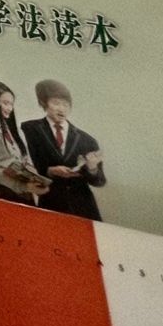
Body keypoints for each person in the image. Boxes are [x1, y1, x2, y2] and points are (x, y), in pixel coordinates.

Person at [20, 78, 105, 220]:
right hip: (50, 205)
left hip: (83, 208)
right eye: (56, 103)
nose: (62, 109)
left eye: (66, 104)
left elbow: (99, 181)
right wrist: (50, 171)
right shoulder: (29, 130)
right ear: (44, 103)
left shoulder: (87, 140)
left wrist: (92, 168)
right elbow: (24, 165)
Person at [0, 80, 47, 204]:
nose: (9, 108)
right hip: (2, 192)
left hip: (25, 193)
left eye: (11, 104)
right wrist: (23, 186)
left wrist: (36, 179)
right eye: (5, 103)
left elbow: (26, 159)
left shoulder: (15, 130)